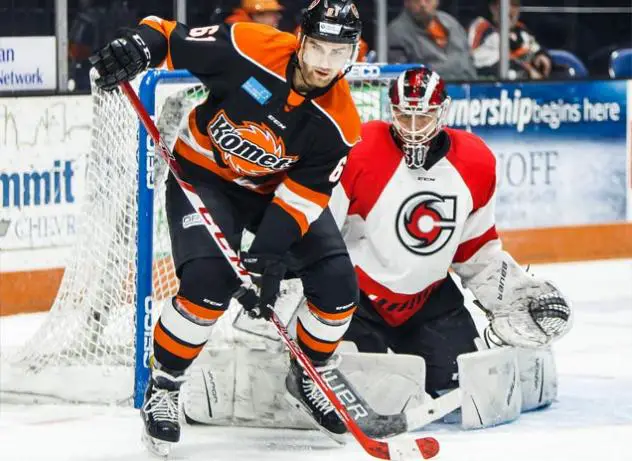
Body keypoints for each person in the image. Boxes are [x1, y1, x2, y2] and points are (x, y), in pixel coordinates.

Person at [89, 0, 364, 453]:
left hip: (274, 195)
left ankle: (310, 371)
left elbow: (302, 198)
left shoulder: (339, 122)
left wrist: (267, 260)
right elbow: (165, 33)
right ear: (301, 40)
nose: (325, 66)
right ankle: (165, 384)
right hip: (204, 175)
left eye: (339, 54)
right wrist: (137, 46)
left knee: (338, 288)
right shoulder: (247, 46)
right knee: (207, 284)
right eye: (318, 50)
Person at [329, 66, 572, 400]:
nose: (413, 128)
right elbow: (321, 230)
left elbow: (474, 248)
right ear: (392, 111)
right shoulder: (360, 148)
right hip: (355, 300)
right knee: (366, 392)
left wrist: (511, 291)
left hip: (427, 299)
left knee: (464, 384)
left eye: (424, 116)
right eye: (404, 115)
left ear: (443, 111)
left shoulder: (474, 161)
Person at [387, 0, 477, 81]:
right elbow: (400, 77)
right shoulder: (395, 33)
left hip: (471, 90)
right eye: (416, 0)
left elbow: (468, 59)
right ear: (406, 2)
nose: (422, 4)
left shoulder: (451, 22)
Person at [468, 0, 552, 80]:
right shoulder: (481, 28)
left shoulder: (521, 29)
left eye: (515, 5)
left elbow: (534, 47)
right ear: (492, 7)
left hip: (528, 87)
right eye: (506, 4)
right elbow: (479, 59)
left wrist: (541, 55)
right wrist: (527, 70)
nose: (510, 10)